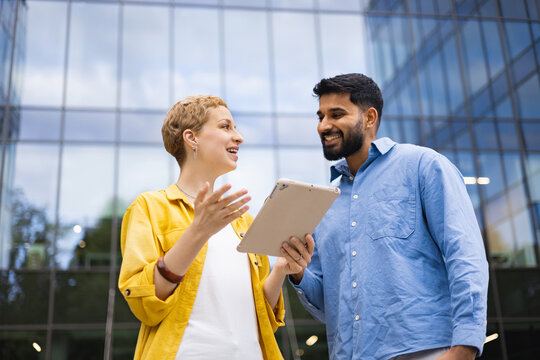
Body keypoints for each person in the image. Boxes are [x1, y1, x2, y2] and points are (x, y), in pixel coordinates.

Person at [288, 73, 489, 360]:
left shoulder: (423, 166)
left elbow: (465, 256)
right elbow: (326, 304)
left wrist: (465, 347)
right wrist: (297, 272)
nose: (324, 126)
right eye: (320, 116)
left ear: (369, 118)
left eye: (336, 114)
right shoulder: (324, 202)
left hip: (426, 351)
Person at [118, 95, 309, 360]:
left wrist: (280, 270)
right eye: (225, 127)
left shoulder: (243, 221)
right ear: (191, 138)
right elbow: (145, 305)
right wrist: (198, 232)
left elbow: (263, 318)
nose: (239, 137)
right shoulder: (149, 208)